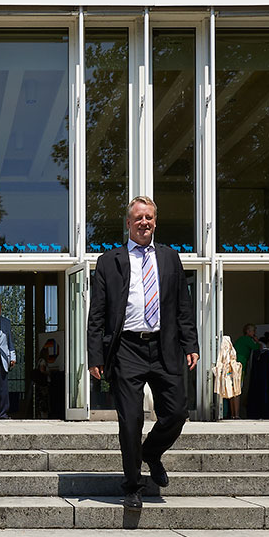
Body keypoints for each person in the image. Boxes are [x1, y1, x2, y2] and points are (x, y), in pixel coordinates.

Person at [87, 195, 198, 517]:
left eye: (149, 217)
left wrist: (190, 344)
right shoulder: (110, 261)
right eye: (138, 218)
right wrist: (97, 355)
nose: (144, 223)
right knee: (131, 420)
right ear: (128, 223)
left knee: (176, 413)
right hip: (126, 349)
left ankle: (152, 453)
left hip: (164, 348)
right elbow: (98, 313)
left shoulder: (170, 259)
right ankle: (133, 486)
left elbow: (182, 306)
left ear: (155, 221)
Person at [232, 323, 259, 418]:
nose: (255, 333)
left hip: (234, 364)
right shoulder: (247, 339)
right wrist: (257, 341)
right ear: (248, 331)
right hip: (240, 365)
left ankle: (233, 414)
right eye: (253, 331)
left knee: (233, 389)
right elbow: (257, 348)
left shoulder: (240, 339)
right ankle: (237, 414)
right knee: (238, 389)